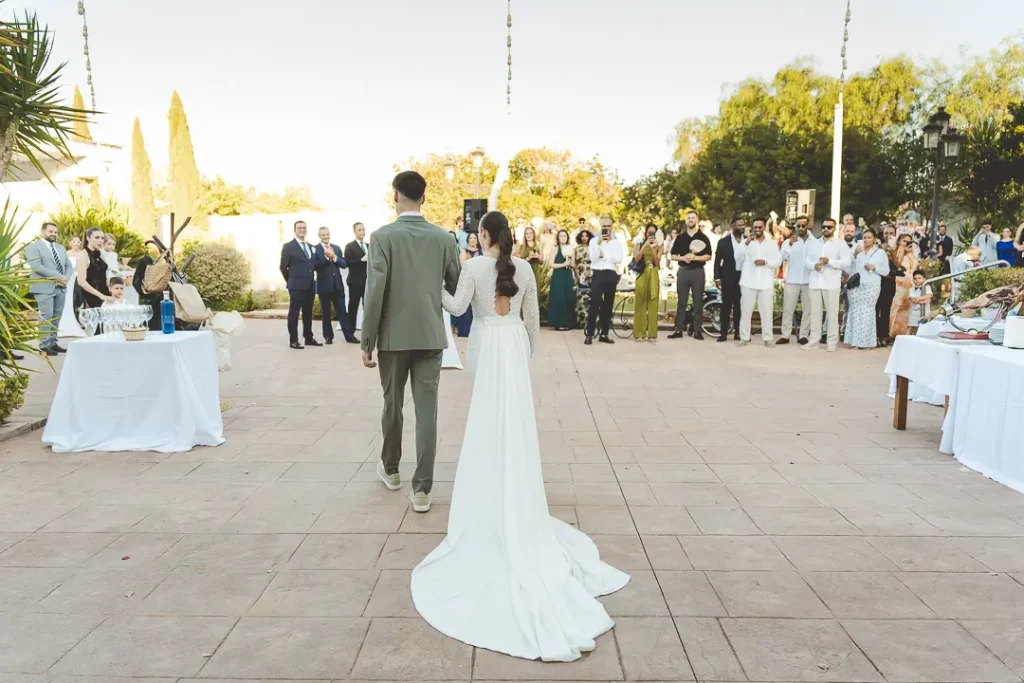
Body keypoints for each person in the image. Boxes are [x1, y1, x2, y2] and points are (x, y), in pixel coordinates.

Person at [415, 210, 629, 663]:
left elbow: (456, 310)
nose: (476, 237)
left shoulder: (472, 267)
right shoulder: (528, 268)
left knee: (486, 422)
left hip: (488, 349)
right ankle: (516, 492)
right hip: (511, 347)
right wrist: (522, 356)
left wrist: (433, 285)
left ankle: (488, 493)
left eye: (479, 232)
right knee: (516, 424)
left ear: (486, 235)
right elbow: (533, 324)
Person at [362, 170, 461, 513]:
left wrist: (367, 339)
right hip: (430, 334)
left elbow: (374, 291)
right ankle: (422, 489)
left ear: (395, 196)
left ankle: (391, 469)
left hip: (392, 336)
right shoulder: (444, 239)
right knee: (427, 411)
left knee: (392, 404)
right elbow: (457, 284)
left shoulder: (382, 237)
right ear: (424, 197)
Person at [803, 218, 849, 352]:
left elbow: (846, 262)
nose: (825, 229)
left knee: (832, 314)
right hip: (815, 281)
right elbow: (806, 260)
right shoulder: (814, 243)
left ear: (834, 229)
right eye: (824, 227)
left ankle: (832, 341)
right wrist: (813, 265)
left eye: (829, 227)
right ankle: (814, 341)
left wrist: (831, 262)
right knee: (815, 313)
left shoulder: (840, 244)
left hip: (832, 283)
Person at [26, 222, 71, 355]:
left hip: (61, 287)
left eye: (55, 232)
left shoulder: (60, 248)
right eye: (50, 231)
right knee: (47, 316)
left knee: (57, 315)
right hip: (43, 287)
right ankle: (44, 345)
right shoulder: (33, 247)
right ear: (43, 232)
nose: (53, 234)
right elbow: (36, 266)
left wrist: (65, 278)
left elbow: (68, 266)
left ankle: (52, 342)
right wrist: (58, 277)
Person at [736, 218, 780, 347]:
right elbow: (737, 257)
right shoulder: (746, 242)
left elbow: (778, 260)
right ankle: (744, 337)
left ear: (764, 228)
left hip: (766, 282)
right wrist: (746, 243)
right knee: (746, 311)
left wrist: (765, 262)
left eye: (760, 227)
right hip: (748, 282)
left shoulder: (772, 243)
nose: (757, 230)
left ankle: (768, 338)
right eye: (755, 227)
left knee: (766, 311)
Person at [668, 210, 712, 339]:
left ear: (697, 220)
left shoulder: (703, 238)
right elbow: (673, 255)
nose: (691, 220)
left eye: (693, 218)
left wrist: (695, 258)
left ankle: (697, 330)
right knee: (681, 302)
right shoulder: (680, 238)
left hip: (697, 272)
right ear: (686, 221)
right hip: (683, 272)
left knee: (698, 302)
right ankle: (678, 330)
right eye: (688, 218)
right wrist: (683, 259)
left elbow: (708, 256)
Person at [844, 227, 889, 349]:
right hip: (856, 285)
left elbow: (886, 271)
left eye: (869, 237)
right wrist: (854, 255)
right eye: (864, 238)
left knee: (867, 311)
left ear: (874, 239)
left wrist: (874, 268)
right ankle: (853, 340)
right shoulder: (857, 251)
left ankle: (866, 342)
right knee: (855, 310)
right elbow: (850, 267)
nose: (866, 240)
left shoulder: (880, 253)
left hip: (872, 285)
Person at [313, 227, 358, 345]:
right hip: (323, 286)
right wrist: (327, 258)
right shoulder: (315, 249)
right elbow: (314, 266)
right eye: (323, 235)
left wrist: (334, 257)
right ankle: (328, 337)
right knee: (326, 313)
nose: (326, 237)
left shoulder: (336, 248)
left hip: (337, 286)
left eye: (327, 234)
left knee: (343, 312)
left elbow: (344, 264)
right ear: (319, 236)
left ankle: (349, 336)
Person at [280, 220, 320, 349]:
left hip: (309, 285)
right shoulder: (288, 247)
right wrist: (291, 280)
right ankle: (293, 340)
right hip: (296, 285)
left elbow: (312, 265)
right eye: (299, 228)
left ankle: (308, 337)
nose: (302, 230)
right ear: (295, 230)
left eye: (304, 227)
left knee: (308, 312)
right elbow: (283, 267)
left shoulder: (311, 246)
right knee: (295, 313)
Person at [585, 217, 624, 345]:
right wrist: (599, 246)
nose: (606, 228)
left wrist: (605, 256)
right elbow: (594, 258)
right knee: (595, 303)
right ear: (600, 227)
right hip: (598, 273)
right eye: (604, 226)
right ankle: (589, 334)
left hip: (611, 274)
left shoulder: (617, 243)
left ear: (612, 227)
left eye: (609, 226)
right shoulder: (594, 241)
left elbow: (618, 259)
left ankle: (604, 334)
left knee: (608, 305)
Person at [778, 215, 813, 345]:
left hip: (808, 281)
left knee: (807, 310)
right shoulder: (788, 242)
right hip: (792, 280)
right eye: (798, 226)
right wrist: (790, 245)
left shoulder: (814, 242)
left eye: (803, 226)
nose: (800, 228)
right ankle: (785, 335)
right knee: (788, 309)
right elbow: (781, 257)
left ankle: (804, 335)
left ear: (808, 226)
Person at [713, 218, 745, 342]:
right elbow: (717, 262)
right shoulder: (723, 242)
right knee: (726, 307)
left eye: (743, 225)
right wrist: (717, 277)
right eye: (739, 225)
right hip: (727, 278)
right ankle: (723, 333)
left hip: (743, 278)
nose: (741, 227)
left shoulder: (747, 241)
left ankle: (738, 332)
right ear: (732, 226)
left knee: (739, 307)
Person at [631, 224, 661, 341]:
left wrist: (653, 247)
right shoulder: (639, 244)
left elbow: (656, 261)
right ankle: (639, 333)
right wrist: (644, 246)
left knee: (653, 304)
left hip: (653, 273)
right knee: (640, 303)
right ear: (645, 233)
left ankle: (652, 333)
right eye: (649, 232)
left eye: (653, 233)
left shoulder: (659, 246)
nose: (651, 235)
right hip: (642, 273)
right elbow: (636, 258)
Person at [131, 240, 166, 331]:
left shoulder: (166, 260)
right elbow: (137, 279)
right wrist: (145, 293)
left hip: (163, 298)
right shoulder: (145, 261)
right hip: (150, 300)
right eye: (149, 248)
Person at [888, 234, 918, 338]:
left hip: (911, 284)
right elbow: (897, 264)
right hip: (900, 283)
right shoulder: (899, 250)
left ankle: (904, 332)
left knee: (908, 310)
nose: (907, 243)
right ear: (899, 242)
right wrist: (901, 250)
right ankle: (892, 332)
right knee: (897, 308)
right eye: (904, 241)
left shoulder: (911, 254)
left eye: (909, 241)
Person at [76, 227, 113, 310]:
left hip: (105, 295)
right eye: (97, 238)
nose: (100, 241)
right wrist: (101, 296)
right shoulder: (83, 255)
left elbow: (105, 273)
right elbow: (81, 281)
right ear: (88, 238)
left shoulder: (101, 254)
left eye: (102, 238)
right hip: (90, 297)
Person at [453, 233, 482, 337]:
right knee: (466, 305)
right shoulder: (464, 251)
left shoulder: (481, 252)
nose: (473, 240)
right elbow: (462, 267)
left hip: (480, 281)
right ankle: (465, 330)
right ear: (468, 240)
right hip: (468, 281)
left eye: (475, 238)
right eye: (471, 238)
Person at [57, 235, 86, 338]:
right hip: (69, 279)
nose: (77, 243)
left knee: (81, 300)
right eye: (74, 241)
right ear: (70, 243)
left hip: (80, 279)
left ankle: (80, 320)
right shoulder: (66, 253)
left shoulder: (82, 254)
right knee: (70, 300)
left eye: (78, 242)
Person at [547, 229, 576, 331]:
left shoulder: (571, 249)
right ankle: (558, 322)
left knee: (568, 296)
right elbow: (551, 264)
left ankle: (568, 322)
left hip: (567, 275)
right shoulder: (555, 249)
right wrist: (563, 264)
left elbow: (573, 264)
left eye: (564, 236)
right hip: (558, 274)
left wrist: (570, 262)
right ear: (558, 238)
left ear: (567, 237)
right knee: (559, 297)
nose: (563, 238)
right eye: (561, 236)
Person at [343, 222, 369, 334]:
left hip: (367, 281)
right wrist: (361, 260)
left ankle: (368, 331)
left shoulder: (368, 246)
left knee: (368, 307)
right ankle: (350, 332)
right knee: (353, 307)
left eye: (363, 229)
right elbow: (348, 262)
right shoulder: (350, 246)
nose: (362, 232)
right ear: (355, 232)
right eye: (359, 230)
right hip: (355, 281)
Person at [573, 229, 593, 330]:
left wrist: (590, 273)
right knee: (580, 299)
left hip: (591, 274)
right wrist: (578, 274)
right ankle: (581, 321)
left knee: (591, 298)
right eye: (582, 236)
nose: (584, 238)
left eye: (586, 236)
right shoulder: (576, 249)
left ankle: (591, 322)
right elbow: (574, 264)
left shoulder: (593, 248)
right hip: (580, 275)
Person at [907, 269, 933, 334]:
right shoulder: (911, 289)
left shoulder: (927, 287)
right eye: (915, 278)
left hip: (925, 311)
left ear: (924, 279)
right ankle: (906, 339)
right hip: (914, 312)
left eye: (919, 278)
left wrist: (918, 299)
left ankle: (920, 339)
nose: (917, 280)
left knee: (923, 326)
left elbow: (929, 295)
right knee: (910, 325)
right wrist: (923, 300)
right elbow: (912, 299)